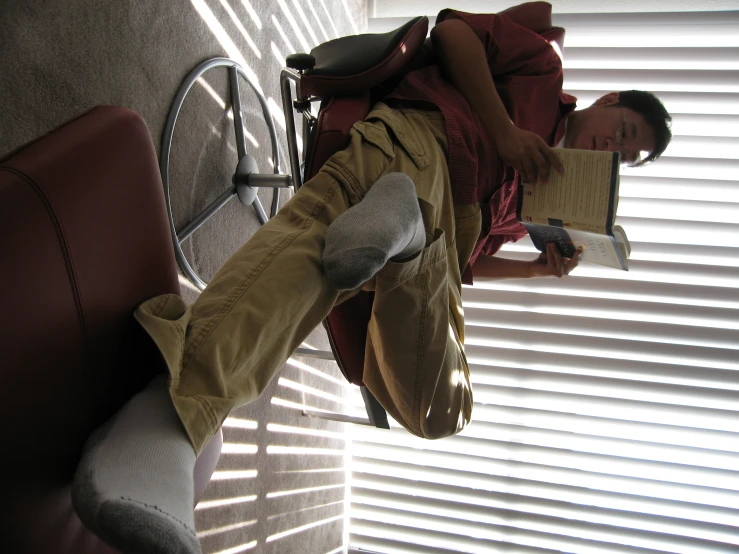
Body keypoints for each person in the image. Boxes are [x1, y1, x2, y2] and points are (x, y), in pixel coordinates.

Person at [71, 4, 672, 554]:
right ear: (611, 99)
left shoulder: (541, 203)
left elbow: (464, 269)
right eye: (621, 133)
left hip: (438, 248)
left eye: (624, 158)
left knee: (445, 411)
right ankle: (168, 423)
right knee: (317, 248)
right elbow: (454, 31)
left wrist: (536, 268)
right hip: (432, 144)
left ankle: (403, 244)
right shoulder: (543, 68)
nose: (611, 148)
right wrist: (507, 131)